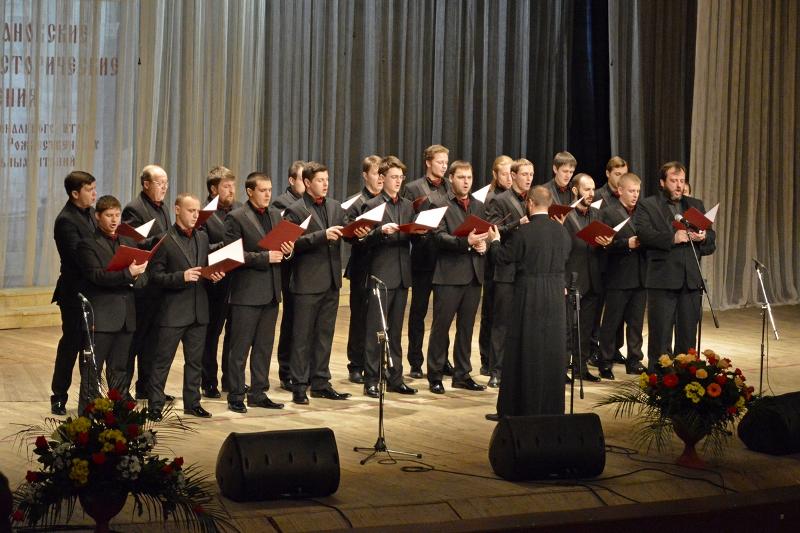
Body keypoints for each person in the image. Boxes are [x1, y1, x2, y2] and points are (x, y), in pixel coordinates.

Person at [284, 162, 369, 404]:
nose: (325, 184)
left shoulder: (334, 206)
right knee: (302, 338)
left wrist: (358, 234)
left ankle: (321, 382)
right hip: (306, 283)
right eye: (320, 180)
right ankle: (299, 385)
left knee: (324, 335)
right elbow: (291, 244)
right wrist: (321, 236)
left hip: (331, 281)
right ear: (307, 182)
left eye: (327, 180)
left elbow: (346, 232)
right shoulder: (295, 210)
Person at [486, 186, 572, 419]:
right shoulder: (562, 232)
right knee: (551, 350)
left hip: (529, 292)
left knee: (523, 348)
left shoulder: (523, 232)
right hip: (556, 295)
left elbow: (502, 258)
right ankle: (550, 409)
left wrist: (495, 241)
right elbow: (565, 257)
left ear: (530, 204)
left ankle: (517, 409)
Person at [148, 194, 224, 419]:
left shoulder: (202, 237)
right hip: (173, 312)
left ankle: (193, 403)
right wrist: (181, 277)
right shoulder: (163, 239)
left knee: (195, 362)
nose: (195, 215)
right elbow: (155, 277)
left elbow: (203, 268)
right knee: (162, 361)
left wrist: (213, 276)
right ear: (177, 210)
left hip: (199, 310)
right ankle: (155, 405)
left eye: (198, 211)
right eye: (191, 211)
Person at [634, 162, 716, 368]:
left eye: (681, 181)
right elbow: (644, 234)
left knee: (688, 338)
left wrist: (704, 237)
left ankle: (685, 379)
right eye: (673, 181)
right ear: (662, 182)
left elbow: (711, 240)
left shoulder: (695, 205)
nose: (679, 185)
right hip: (663, 281)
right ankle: (658, 379)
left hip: (690, 281)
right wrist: (673, 237)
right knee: (660, 337)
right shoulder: (648, 205)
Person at [223, 173, 293, 413]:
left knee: (264, 347)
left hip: (271, 291)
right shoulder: (236, 217)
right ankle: (235, 395)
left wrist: (287, 250)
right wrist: (265, 258)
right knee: (240, 348)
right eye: (263, 190)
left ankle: (258, 393)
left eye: (270, 190)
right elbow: (232, 255)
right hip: (246, 293)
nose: (267, 194)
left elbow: (280, 250)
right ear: (250, 191)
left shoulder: (275, 214)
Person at [76, 195, 148, 414]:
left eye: (117, 215)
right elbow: (96, 276)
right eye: (109, 215)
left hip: (126, 316)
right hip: (102, 316)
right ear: (98, 216)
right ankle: (88, 415)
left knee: (120, 369)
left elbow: (143, 278)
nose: (114, 220)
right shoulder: (87, 244)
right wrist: (128, 274)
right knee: (92, 370)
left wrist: (136, 276)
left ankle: (118, 416)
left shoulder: (129, 242)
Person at [426, 161, 489, 394]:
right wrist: (466, 242)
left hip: (473, 274)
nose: (466, 182)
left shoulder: (478, 204)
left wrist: (483, 245)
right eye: (461, 177)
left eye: (469, 178)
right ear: (451, 178)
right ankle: (435, 375)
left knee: (466, 328)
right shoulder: (438, 202)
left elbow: (484, 234)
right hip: (448, 275)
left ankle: (462, 374)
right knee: (441, 327)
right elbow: (437, 237)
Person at [359, 156, 418, 397]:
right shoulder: (372, 205)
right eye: (394, 177)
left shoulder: (407, 205)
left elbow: (412, 234)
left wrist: (420, 231)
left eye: (401, 177)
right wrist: (380, 232)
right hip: (381, 274)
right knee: (376, 330)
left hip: (402, 275)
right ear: (382, 178)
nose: (398, 181)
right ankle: (371, 379)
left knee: (395, 331)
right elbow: (361, 240)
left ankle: (395, 377)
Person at [402, 144, 453, 378]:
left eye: (446, 162)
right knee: (418, 312)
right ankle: (415, 361)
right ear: (428, 162)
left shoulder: (450, 186)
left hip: (445, 257)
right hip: (423, 256)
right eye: (440, 162)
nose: (444, 166)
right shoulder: (413, 188)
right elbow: (406, 219)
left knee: (444, 313)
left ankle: (442, 359)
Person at [483, 158, 534, 388]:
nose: (529, 178)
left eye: (531, 174)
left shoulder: (533, 200)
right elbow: (492, 231)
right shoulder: (499, 199)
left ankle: (519, 369)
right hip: (505, 269)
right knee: (501, 323)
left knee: (524, 323)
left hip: (527, 269)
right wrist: (517, 224)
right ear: (513, 176)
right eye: (524, 174)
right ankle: (496, 371)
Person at [122, 164, 172, 401]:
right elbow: (130, 242)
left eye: (166, 183)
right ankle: (123, 391)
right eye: (160, 183)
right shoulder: (134, 208)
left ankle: (147, 387)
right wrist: (160, 239)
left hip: (158, 284)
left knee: (154, 341)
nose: (164, 187)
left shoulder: (163, 208)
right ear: (146, 184)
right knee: (136, 341)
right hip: (142, 285)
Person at [50, 171, 97, 415]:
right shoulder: (66, 220)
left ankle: (89, 397)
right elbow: (78, 256)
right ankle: (59, 395)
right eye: (89, 190)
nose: (94, 194)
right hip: (74, 293)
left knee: (90, 346)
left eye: (94, 189)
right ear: (75, 193)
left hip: (93, 290)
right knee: (71, 344)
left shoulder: (90, 213)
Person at [199, 166, 242, 398]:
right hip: (214, 284)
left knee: (235, 334)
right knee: (211, 335)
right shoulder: (203, 214)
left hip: (238, 282)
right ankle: (209, 382)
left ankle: (231, 380)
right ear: (213, 189)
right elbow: (200, 248)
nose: (232, 190)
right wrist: (225, 247)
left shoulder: (240, 210)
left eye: (233, 186)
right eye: (226, 186)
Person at [598, 173, 647, 376]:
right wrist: (626, 244)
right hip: (618, 276)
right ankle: (605, 361)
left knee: (636, 323)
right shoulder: (608, 213)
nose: (635, 195)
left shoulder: (643, 212)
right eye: (631, 191)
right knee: (612, 322)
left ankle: (634, 360)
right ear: (620, 191)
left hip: (640, 275)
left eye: (637, 191)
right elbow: (603, 245)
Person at [343, 155, 384, 384]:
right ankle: (356, 364)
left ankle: (375, 363)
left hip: (385, 265)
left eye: (382, 174)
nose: (380, 178)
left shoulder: (389, 200)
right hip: (363, 267)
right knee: (360, 317)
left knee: (379, 320)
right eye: (376, 173)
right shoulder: (356, 202)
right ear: (365, 175)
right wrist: (360, 235)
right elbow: (348, 234)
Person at [563, 174, 607, 381]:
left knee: (585, 328)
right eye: (586, 189)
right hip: (571, 278)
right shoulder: (565, 215)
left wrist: (606, 243)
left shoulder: (597, 214)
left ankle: (580, 368)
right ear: (575, 190)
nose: (591, 193)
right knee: (567, 329)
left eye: (593, 189)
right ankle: (562, 369)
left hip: (592, 279)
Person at [271, 160, 305, 391]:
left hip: (309, 268)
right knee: (291, 320)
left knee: (305, 324)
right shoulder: (281, 203)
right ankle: (286, 371)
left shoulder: (311, 203)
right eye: (303, 179)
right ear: (292, 181)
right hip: (290, 270)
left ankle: (303, 369)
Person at [479, 155, 513, 377]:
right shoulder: (492, 198)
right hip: (493, 260)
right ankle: (486, 359)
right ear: (495, 174)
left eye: (511, 174)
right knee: (490, 312)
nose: (509, 178)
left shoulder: (517, 197)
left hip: (509, 260)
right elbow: (492, 230)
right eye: (504, 174)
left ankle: (500, 358)